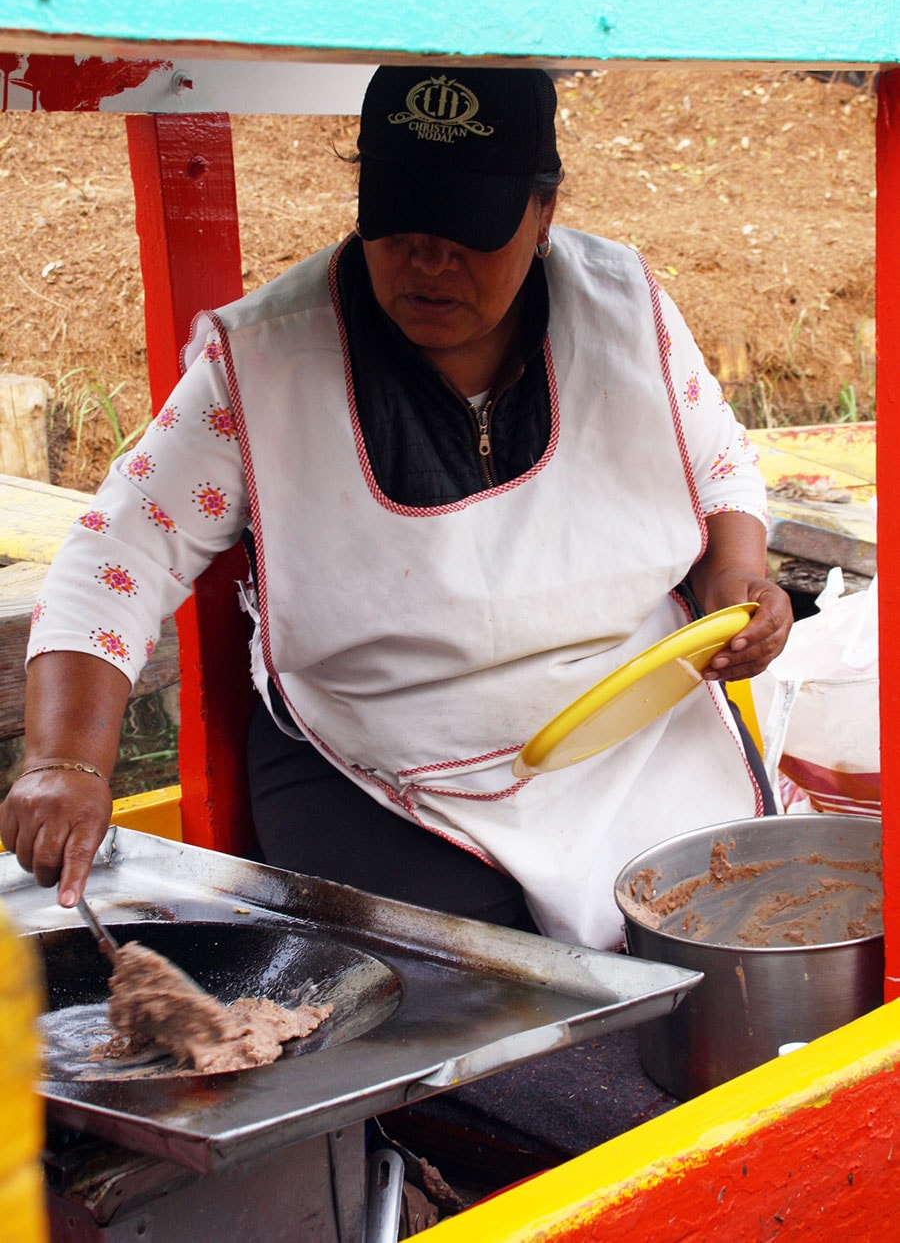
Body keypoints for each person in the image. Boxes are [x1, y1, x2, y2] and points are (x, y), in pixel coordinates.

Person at [1, 66, 792, 950]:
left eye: (468, 230)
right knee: (493, 1023)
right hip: (387, 766)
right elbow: (119, 555)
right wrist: (63, 761)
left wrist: (738, 571)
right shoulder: (263, 361)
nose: (429, 261)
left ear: (544, 211)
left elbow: (718, 460)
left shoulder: (625, 307)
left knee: (728, 937)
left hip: (630, 725)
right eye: (401, 221)